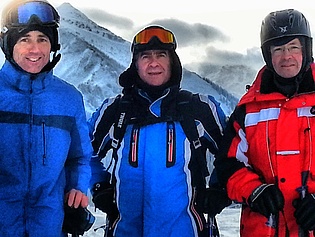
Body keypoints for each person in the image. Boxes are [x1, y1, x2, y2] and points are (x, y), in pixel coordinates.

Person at [88, 25, 231, 237]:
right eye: (145, 56)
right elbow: (81, 153)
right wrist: (99, 186)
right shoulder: (115, 110)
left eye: (161, 55)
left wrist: (220, 189)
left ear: (172, 62)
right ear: (135, 65)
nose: (153, 63)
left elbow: (231, 153)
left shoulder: (198, 108)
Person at [214, 9, 315, 237]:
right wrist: (254, 190)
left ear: (306, 51)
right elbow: (228, 165)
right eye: (278, 49)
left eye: (293, 47)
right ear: (267, 56)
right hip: (264, 229)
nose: (286, 56)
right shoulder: (248, 110)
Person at [0, 0, 93, 236]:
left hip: (49, 223)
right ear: (9, 45)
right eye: (25, 40)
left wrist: (78, 187)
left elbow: (80, 158)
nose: (35, 49)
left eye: (42, 39)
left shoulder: (69, 98)